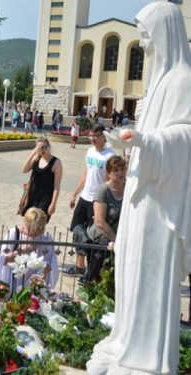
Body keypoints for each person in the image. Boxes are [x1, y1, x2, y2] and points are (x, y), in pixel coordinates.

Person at [88, 3, 191, 374]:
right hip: (139, 192)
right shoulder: (160, 80)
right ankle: (126, 339)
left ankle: (147, 357)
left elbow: (186, 137)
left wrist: (148, 143)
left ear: (165, 33)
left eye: (147, 35)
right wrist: (132, 141)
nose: (144, 44)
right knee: (131, 270)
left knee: (149, 274)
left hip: (160, 200)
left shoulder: (183, 80)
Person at [67, 124, 114, 280]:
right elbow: (85, 175)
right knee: (78, 232)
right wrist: (75, 194)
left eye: (95, 135)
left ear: (104, 136)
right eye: (90, 135)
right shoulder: (89, 151)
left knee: (93, 238)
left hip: (98, 202)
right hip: (84, 198)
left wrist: (103, 207)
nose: (92, 139)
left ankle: (90, 272)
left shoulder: (109, 156)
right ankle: (80, 267)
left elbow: (110, 182)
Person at [83, 155, 126, 284]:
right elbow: (100, 221)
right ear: (108, 173)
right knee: (96, 279)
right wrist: (117, 241)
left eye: (122, 169)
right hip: (100, 242)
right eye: (115, 170)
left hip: (119, 241)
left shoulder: (128, 188)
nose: (120, 173)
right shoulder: (103, 190)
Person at [0, 207, 59, 292]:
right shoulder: (14, 234)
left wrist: (44, 272)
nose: (35, 234)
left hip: (35, 286)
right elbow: (1, 259)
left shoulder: (46, 238)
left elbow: (52, 260)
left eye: (39, 231)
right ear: (25, 224)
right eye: (32, 231)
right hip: (15, 281)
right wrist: (21, 250)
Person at [20, 138, 63, 222]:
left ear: (49, 147)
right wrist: (33, 152)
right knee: (29, 221)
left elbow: (57, 186)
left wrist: (53, 203)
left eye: (44, 147)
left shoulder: (56, 163)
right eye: (40, 148)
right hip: (33, 195)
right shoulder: (36, 158)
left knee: (39, 223)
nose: (42, 150)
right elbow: (24, 170)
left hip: (45, 198)